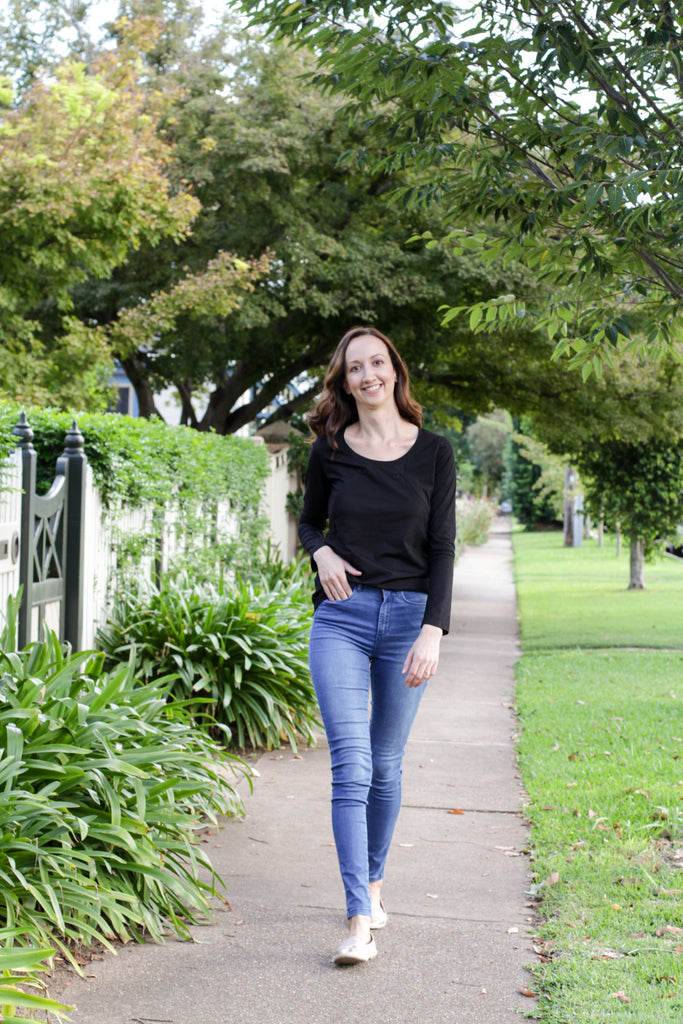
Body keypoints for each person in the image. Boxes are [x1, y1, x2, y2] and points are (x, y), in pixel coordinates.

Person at [298, 326, 456, 966]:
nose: (368, 376)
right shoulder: (329, 449)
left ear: (395, 370)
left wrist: (433, 632)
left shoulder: (435, 452)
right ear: (344, 380)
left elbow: (444, 547)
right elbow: (309, 521)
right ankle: (358, 918)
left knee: (387, 765)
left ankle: (376, 882)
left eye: (377, 363)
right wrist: (323, 551)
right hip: (341, 617)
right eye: (355, 368)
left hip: (410, 621)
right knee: (352, 765)